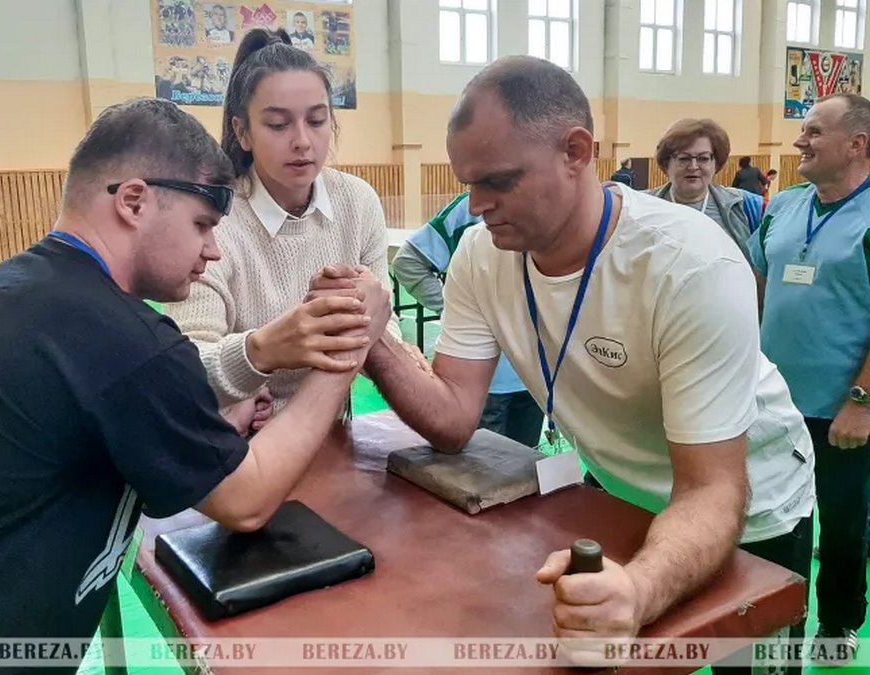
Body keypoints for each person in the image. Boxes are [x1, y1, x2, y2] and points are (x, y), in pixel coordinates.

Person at [313, 57, 816, 673]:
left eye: (497, 181)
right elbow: (451, 418)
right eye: (467, 182)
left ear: (577, 151)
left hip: (745, 503)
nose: (476, 206)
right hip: (623, 493)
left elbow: (712, 487)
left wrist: (640, 589)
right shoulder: (481, 254)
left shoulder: (689, 265)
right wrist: (373, 339)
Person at [0, 99, 392, 657]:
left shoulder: (28, 290)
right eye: (202, 224)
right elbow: (247, 500)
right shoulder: (123, 340)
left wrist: (190, 425)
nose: (212, 249)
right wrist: (351, 342)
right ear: (134, 201)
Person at [166, 29, 400, 419]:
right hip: (241, 446)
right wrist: (263, 353)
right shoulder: (215, 221)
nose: (302, 141)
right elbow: (188, 363)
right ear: (242, 131)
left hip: (334, 437)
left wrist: (368, 321)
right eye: (278, 125)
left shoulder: (358, 203)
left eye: (317, 120)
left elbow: (385, 327)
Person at [748, 92, 870, 666]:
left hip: (841, 407)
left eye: (815, 132)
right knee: (770, 518)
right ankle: (771, 621)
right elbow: (757, 281)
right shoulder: (784, 206)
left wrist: (862, 401)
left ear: (857, 144)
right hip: (771, 404)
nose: (800, 141)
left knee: (842, 522)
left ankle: (840, 619)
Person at [392, 192, 544, 447]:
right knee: (480, 474)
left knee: (526, 471)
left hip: (537, 377)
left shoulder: (554, 209)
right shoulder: (471, 208)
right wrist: (458, 309)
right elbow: (408, 263)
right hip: (481, 382)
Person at [647, 119, 764, 261]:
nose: (693, 166)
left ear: (716, 164)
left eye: (703, 158)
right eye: (684, 158)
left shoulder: (746, 206)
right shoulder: (642, 206)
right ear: (666, 164)